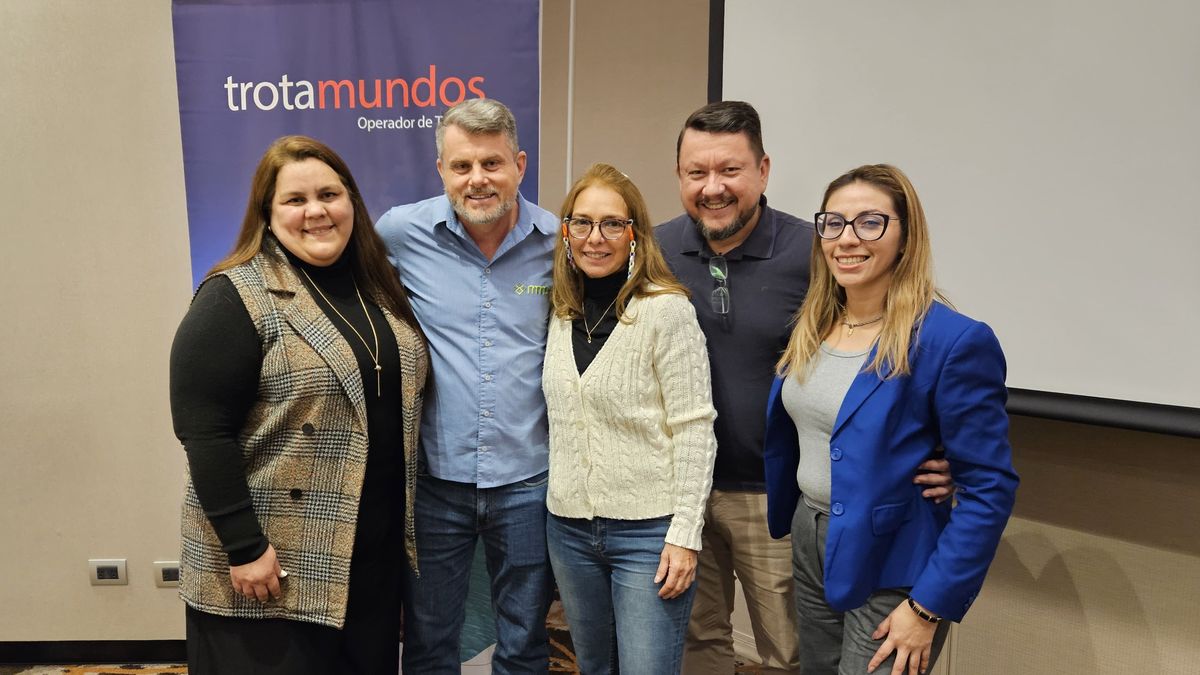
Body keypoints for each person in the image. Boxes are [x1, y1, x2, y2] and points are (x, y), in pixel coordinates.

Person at [657, 101, 955, 674]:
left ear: (763, 171)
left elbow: (896, 343)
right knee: (696, 643)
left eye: (730, 170)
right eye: (697, 172)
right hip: (678, 492)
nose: (713, 187)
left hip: (779, 496)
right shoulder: (655, 252)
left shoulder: (816, 251)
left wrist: (942, 453)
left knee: (791, 652)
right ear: (679, 176)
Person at [169, 135, 429, 674]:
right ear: (267, 214)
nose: (316, 212)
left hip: (369, 559)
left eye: (329, 195)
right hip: (273, 562)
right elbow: (204, 432)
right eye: (295, 200)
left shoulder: (380, 288)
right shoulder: (234, 295)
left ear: (352, 201)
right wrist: (244, 546)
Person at [763, 164, 1018, 675]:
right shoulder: (815, 323)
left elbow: (990, 488)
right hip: (811, 537)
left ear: (905, 237)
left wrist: (927, 607)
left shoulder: (951, 341)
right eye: (833, 223)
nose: (846, 239)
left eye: (870, 222)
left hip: (894, 558)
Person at [375, 98, 558, 673]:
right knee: (429, 641)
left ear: (519, 165)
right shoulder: (400, 233)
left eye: (492, 163)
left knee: (525, 641)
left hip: (529, 480)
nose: (477, 179)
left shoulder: (561, 242)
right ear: (441, 170)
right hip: (436, 482)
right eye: (462, 166)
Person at [542, 162, 717, 674]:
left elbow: (695, 428)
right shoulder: (560, 311)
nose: (595, 238)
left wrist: (685, 533)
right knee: (595, 667)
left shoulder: (666, 311)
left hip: (649, 534)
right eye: (582, 222)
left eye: (612, 224)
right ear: (566, 232)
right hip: (569, 530)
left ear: (634, 233)